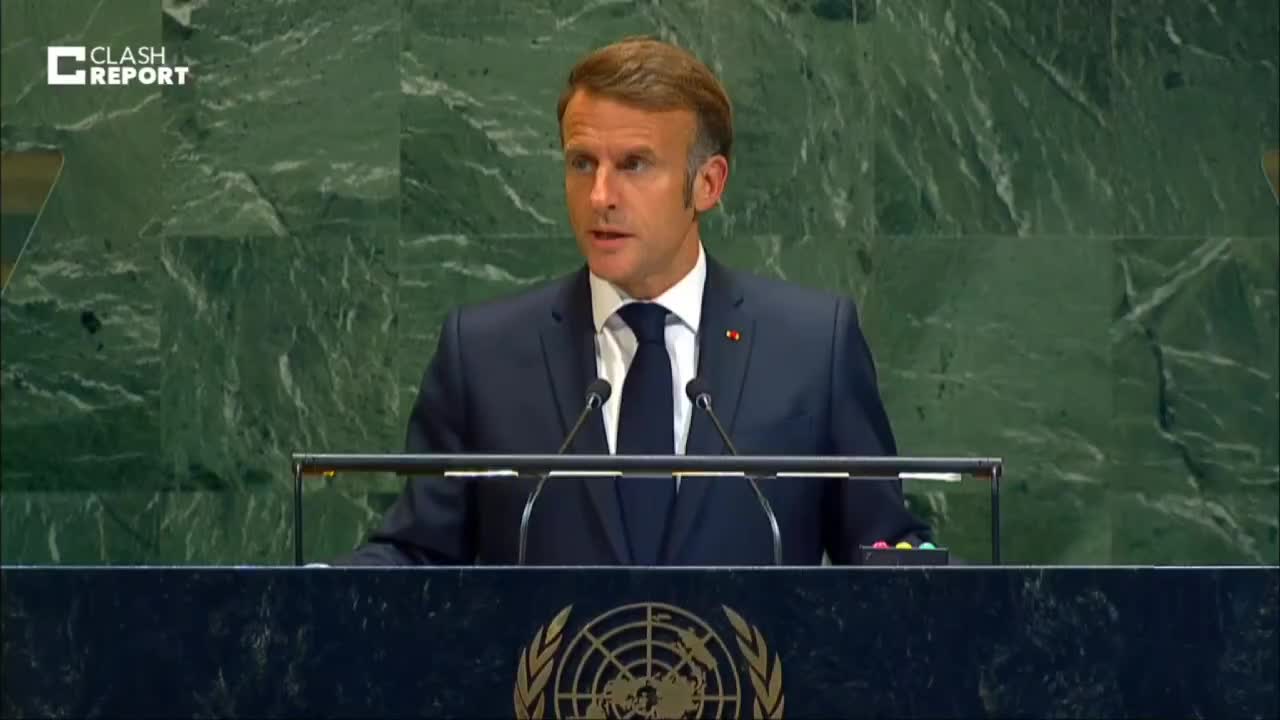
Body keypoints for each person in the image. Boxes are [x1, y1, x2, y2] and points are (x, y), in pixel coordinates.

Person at [343, 36, 932, 566]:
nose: (600, 195)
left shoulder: (812, 346)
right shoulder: (484, 353)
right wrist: (316, 591)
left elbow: (882, 545)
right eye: (582, 163)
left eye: (634, 164)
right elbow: (418, 553)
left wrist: (938, 583)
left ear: (708, 183)